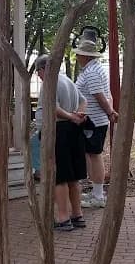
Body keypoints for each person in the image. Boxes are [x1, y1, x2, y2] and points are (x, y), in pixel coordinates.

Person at [30, 54, 88, 232]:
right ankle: (77, 215)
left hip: (57, 132)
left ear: (43, 69)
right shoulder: (67, 80)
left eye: (38, 72)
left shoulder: (50, 82)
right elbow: (83, 101)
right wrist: (77, 115)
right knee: (72, 176)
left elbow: (52, 108)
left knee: (60, 176)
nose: (38, 76)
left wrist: (71, 116)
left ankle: (63, 218)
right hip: (71, 132)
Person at [74, 38, 118, 208]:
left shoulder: (91, 72)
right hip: (93, 119)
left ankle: (98, 195)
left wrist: (109, 112)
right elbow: (108, 95)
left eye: (79, 54)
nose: (77, 57)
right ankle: (95, 191)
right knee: (91, 155)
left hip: (93, 121)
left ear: (85, 56)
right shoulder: (93, 69)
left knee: (94, 155)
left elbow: (99, 95)